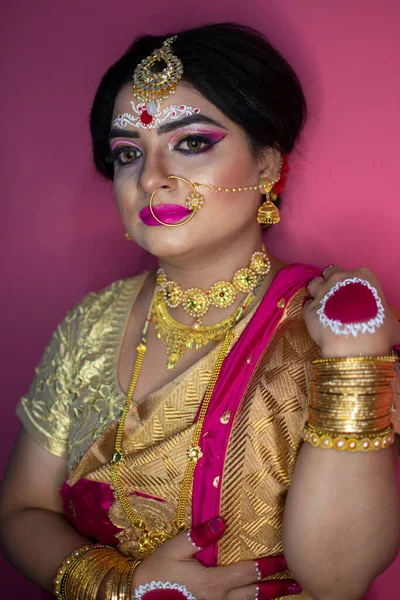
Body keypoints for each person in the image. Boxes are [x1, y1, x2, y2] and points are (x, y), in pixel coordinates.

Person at [0, 22, 399, 600]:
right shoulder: (92, 323)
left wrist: (356, 358)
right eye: (128, 153)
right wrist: (121, 591)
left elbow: (338, 578)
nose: (152, 178)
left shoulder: (329, 328)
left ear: (267, 165)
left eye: (191, 143)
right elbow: (20, 510)